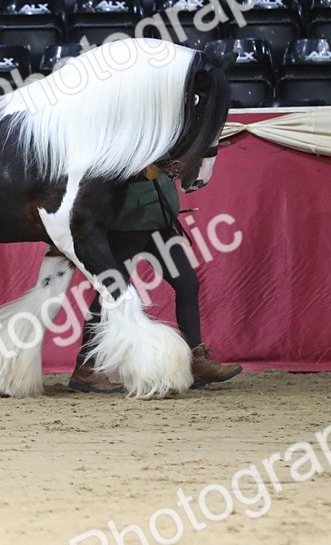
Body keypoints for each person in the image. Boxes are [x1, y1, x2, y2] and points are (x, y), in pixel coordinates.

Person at [68, 168, 243, 393]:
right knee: (110, 293)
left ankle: (196, 361)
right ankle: (86, 368)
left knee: (188, 284)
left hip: (159, 220)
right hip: (129, 223)